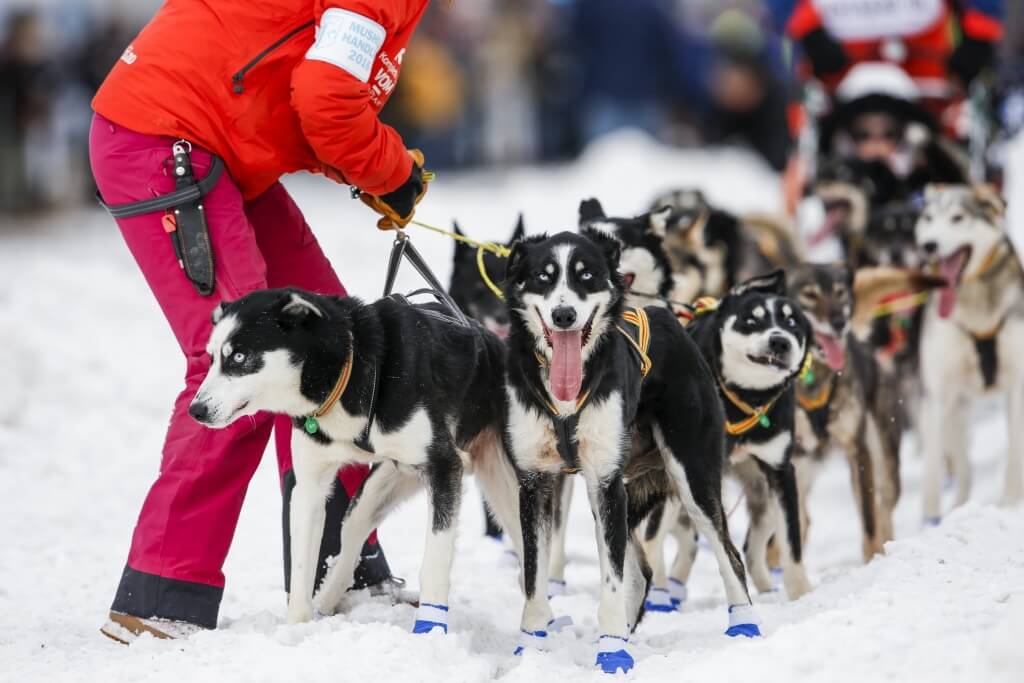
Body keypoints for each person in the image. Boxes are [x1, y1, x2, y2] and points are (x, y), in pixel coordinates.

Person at [90, 0, 431, 642]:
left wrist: (376, 170)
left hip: (215, 143)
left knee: (338, 346)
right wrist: (389, 168)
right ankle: (160, 594)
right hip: (164, 137)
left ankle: (339, 569)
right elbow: (326, 99)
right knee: (244, 364)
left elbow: (296, 96)